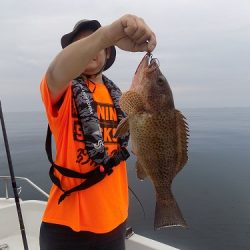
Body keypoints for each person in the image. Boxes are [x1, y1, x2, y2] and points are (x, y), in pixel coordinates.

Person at [39, 14, 156, 250]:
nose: (90, 47)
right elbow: (56, 71)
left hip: (114, 223)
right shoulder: (61, 89)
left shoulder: (122, 99)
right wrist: (106, 36)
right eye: (81, 44)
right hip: (66, 227)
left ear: (108, 53)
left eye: (96, 44)